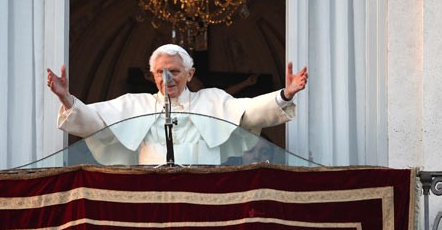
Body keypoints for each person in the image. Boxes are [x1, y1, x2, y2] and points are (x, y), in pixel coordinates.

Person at [46, 44, 308, 165]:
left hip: (205, 194)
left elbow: (249, 113)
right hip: (150, 194)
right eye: (160, 72)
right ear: (152, 75)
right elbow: (95, 123)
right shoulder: (134, 104)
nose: (167, 78)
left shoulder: (212, 100)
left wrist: (285, 94)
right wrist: (66, 99)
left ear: (190, 74)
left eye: (174, 71)